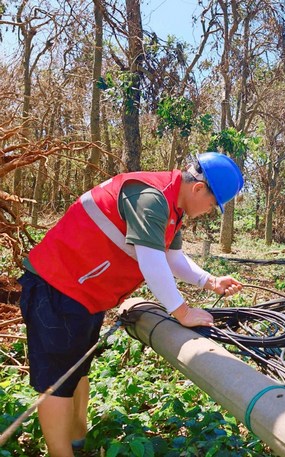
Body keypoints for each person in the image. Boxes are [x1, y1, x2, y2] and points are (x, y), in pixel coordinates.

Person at [18, 152, 245, 457]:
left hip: (85, 294)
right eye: (212, 205)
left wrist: (210, 281)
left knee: (77, 370)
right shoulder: (152, 199)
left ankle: (78, 441)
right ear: (198, 189)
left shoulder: (171, 207)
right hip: (57, 286)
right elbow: (152, 263)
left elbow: (172, 258)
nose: (208, 212)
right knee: (57, 381)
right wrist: (183, 312)